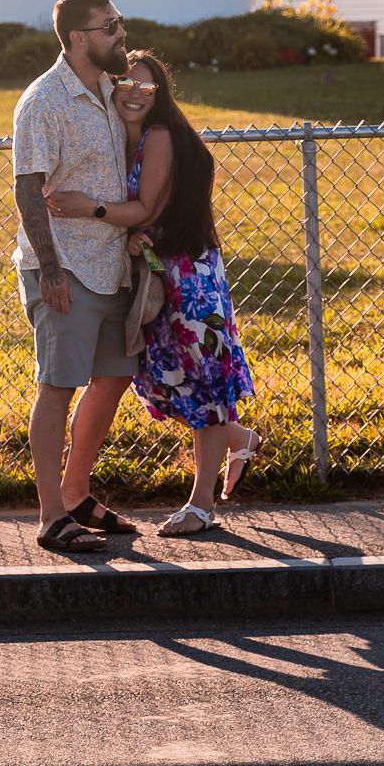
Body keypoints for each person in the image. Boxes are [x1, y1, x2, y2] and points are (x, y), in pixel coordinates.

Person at [47, 48, 257, 536]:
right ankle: (239, 439)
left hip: (190, 279)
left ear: (160, 94)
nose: (136, 93)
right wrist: (142, 236)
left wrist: (87, 208)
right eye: (127, 84)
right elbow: (154, 212)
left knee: (200, 383)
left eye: (147, 86)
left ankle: (202, 505)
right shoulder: (131, 139)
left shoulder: (160, 136)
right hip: (166, 271)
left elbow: (143, 207)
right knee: (167, 379)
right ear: (111, 88)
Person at [12, 0, 140, 555]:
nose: (121, 33)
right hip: (66, 268)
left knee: (113, 378)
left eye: (119, 22)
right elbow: (28, 189)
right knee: (59, 385)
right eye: (110, 26)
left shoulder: (116, 90)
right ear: (79, 38)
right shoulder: (44, 101)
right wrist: (49, 270)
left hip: (115, 265)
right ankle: (50, 518)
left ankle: (77, 493)